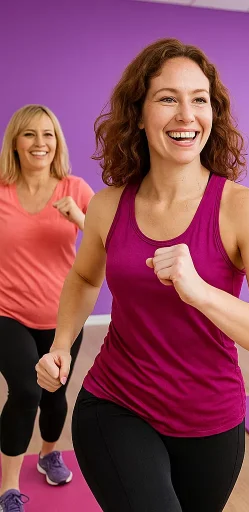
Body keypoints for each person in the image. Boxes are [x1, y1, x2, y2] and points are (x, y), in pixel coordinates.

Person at [34, 38, 249, 512]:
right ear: (138, 113)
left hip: (212, 420)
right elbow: (83, 278)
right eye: (167, 98)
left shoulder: (242, 208)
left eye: (199, 99)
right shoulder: (109, 205)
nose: (186, 115)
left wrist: (200, 293)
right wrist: (61, 345)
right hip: (116, 403)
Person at [0, 104, 94, 511]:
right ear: (15, 143)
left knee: (55, 395)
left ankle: (48, 453)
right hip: (7, 312)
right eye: (30, 135)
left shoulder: (75, 189)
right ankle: (8, 485)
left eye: (48, 134)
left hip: (63, 317)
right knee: (25, 391)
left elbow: (112, 244)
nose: (40, 143)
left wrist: (80, 220)